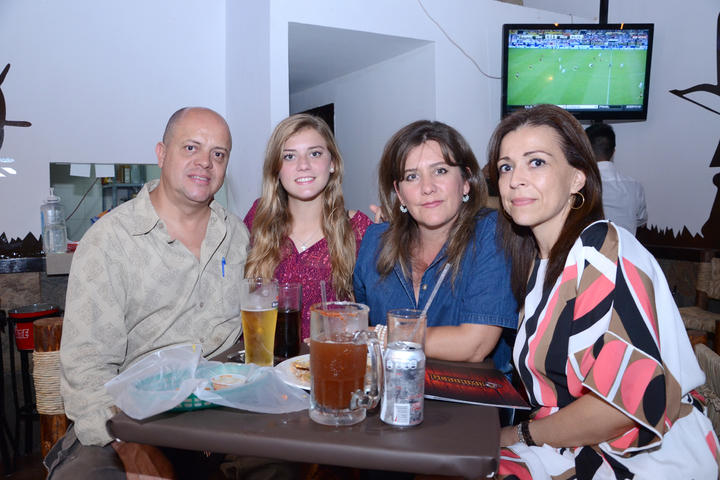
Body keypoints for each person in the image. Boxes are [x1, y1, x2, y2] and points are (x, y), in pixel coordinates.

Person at [487, 104, 718, 479]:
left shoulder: (600, 249)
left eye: (537, 162)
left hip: (642, 458)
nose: (515, 180)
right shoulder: (537, 262)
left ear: (577, 178)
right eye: (506, 167)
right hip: (569, 445)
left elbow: (618, 409)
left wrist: (519, 434)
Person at [46, 107, 249, 478]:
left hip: (222, 415)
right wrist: (130, 445)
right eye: (191, 147)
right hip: (132, 417)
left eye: (218, 154)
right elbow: (86, 367)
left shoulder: (238, 236)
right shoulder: (109, 242)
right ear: (161, 153)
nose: (205, 162)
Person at [353, 120, 517, 371]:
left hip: (466, 393)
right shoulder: (375, 241)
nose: (427, 188)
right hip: (388, 390)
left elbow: (475, 345)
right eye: (412, 177)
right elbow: (357, 318)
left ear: (466, 181)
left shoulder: (492, 233)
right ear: (400, 193)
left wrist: (381, 336)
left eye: (440, 171)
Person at [244, 114, 372, 341]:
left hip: (329, 359)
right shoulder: (258, 219)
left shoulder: (359, 229)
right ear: (276, 169)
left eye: (315, 154)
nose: (303, 165)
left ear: (333, 163)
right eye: (289, 156)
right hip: (265, 358)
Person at [585, 122, 648, 235]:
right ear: (613, 151)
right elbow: (641, 221)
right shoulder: (635, 187)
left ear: (586, 151)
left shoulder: (579, 186)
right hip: (625, 246)